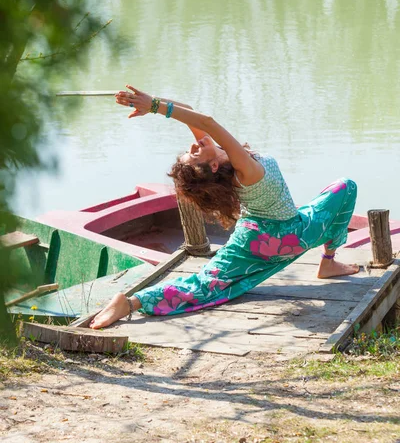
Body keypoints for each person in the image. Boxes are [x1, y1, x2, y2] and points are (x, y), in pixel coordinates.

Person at [90, 86, 359, 329]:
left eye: (191, 147)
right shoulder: (244, 168)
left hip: (252, 238)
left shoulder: (228, 163)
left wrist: (150, 104)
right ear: (213, 166)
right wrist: (156, 106)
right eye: (195, 152)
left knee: (204, 284)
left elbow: (191, 113)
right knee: (345, 187)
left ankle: (132, 302)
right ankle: (328, 261)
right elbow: (206, 121)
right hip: (288, 236)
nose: (196, 143)